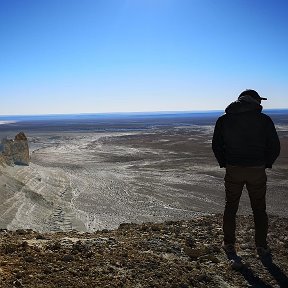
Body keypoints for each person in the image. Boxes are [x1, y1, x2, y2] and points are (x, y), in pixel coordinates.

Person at [212, 89, 280, 257]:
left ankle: (229, 244)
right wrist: (265, 164)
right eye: (259, 100)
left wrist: (225, 163)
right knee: (259, 209)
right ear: (254, 101)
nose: (261, 103)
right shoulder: (264, 120)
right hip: (256, 170)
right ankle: (261, 247)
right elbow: (275, 146)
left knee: (230, 207)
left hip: (233, 168)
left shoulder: (224, 120)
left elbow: (216, 145)